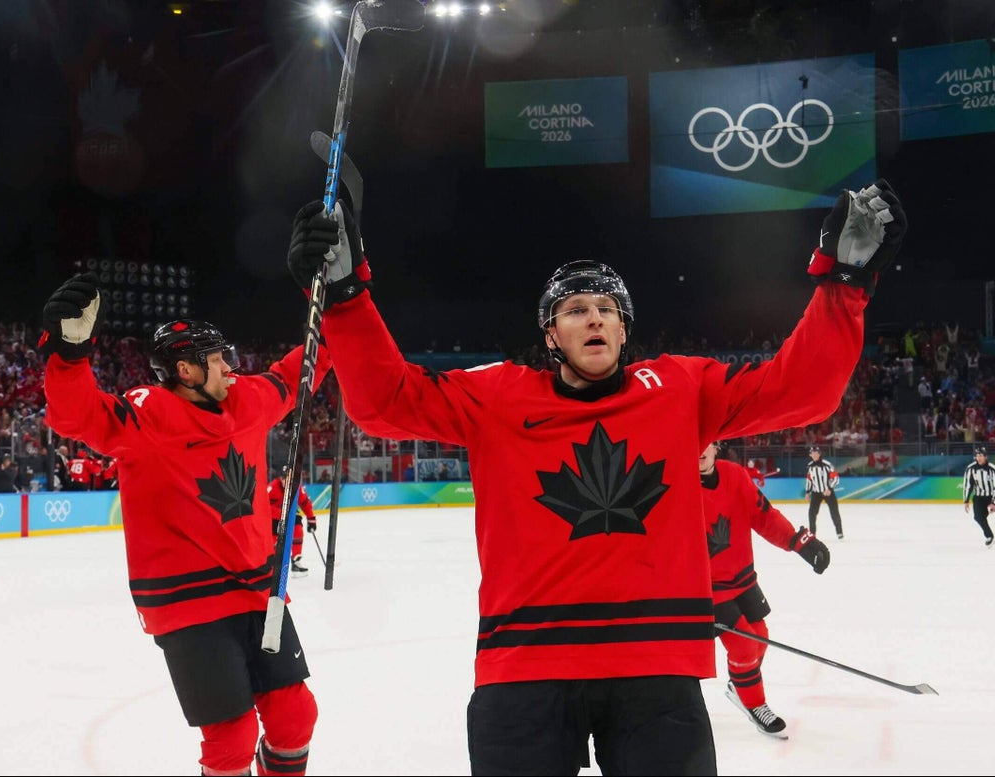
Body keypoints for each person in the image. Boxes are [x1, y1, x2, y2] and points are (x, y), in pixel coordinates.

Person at [287, 174, 905, 775]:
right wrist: (345, 295)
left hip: (656, 670)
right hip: (525, 668)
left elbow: (801, 391)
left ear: (624, 328)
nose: (594, 319)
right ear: (550, 333)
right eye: (575, 309)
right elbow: (384, 401)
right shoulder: (497, 395)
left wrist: (844, 282)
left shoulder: (680, 388)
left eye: (608, 308)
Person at [40, 273, 331, 776]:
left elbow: (297, 371)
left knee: (295, 716)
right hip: (188, 604)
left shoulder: (246, 399)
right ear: (186, 371)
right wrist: (68, 355)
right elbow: (77, 415)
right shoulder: (147, 418)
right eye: (217, 360)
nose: (230, 368)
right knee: (232, 739)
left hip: (259, 592)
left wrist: (329, 300)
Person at [698, 441, 829, 739]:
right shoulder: (678, 485)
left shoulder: (735, 476)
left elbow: (764, 516)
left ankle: (739, 685)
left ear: (716, 445)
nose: (698, 450)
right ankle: (755, 704)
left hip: (742, 578)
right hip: (707, 588)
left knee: (760, 637)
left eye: (704, 442)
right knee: (743, 645)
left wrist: (800, 543)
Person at [268, 465, 317, 577]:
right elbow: (263, 507)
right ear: (280, 478)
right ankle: (273, 565)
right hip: (273, 519)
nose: (287, 481)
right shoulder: (272, 488)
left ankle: (296, 562)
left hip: (288, 516)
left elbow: (305, 503)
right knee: (273, 543)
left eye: (290, 478)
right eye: (285, 478)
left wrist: (311, 519)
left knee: (297, 527)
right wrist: (281, 513)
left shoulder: (297, 488)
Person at [804, 444, 844, 540]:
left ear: (819, 453)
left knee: (834, 512)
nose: (814, 454)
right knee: (812, 513)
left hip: (828, 492)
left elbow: (835, 478)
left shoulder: (827, 464)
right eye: (812, 453)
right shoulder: (810, 466)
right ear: (810, 455)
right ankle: (812, 534)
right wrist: (807, 492)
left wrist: (829, 489)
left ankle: (839, 533)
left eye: (816, 453)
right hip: (816, 493)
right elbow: (809, 480)